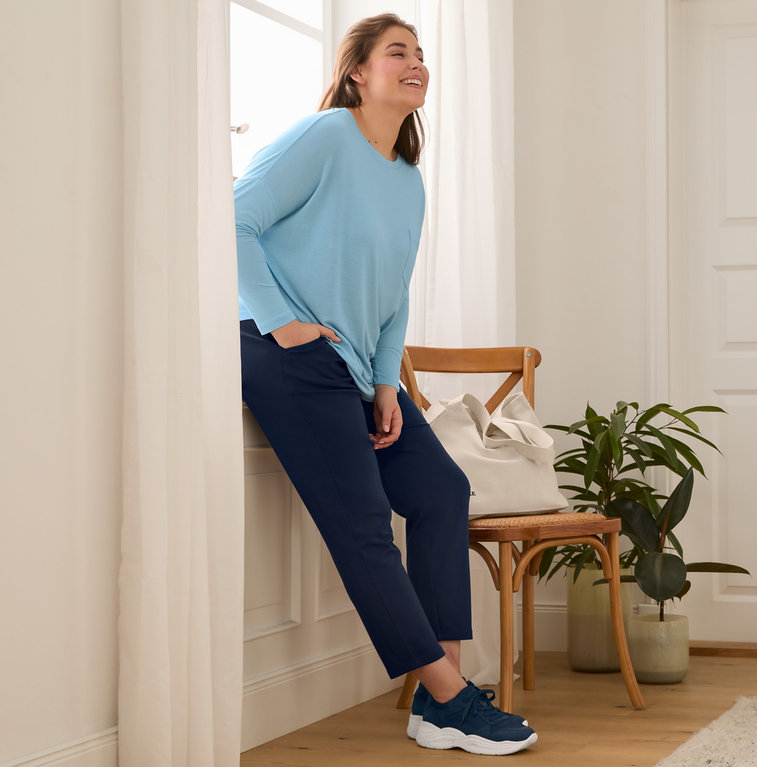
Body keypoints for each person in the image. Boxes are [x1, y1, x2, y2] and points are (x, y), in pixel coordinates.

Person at [234, 13, 536, 756]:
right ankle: (452, 698)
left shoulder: (407, 179)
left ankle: (444, 703)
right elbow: (231, 216)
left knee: (441, 490)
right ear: (357, 73)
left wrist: (384, 383)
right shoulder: (327, 136)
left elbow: (395, 296)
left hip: (354, 369)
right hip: (286, 354)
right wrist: (280, 320)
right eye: (397, 52)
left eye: (422, 54)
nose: (416, 63)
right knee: (365, 524)